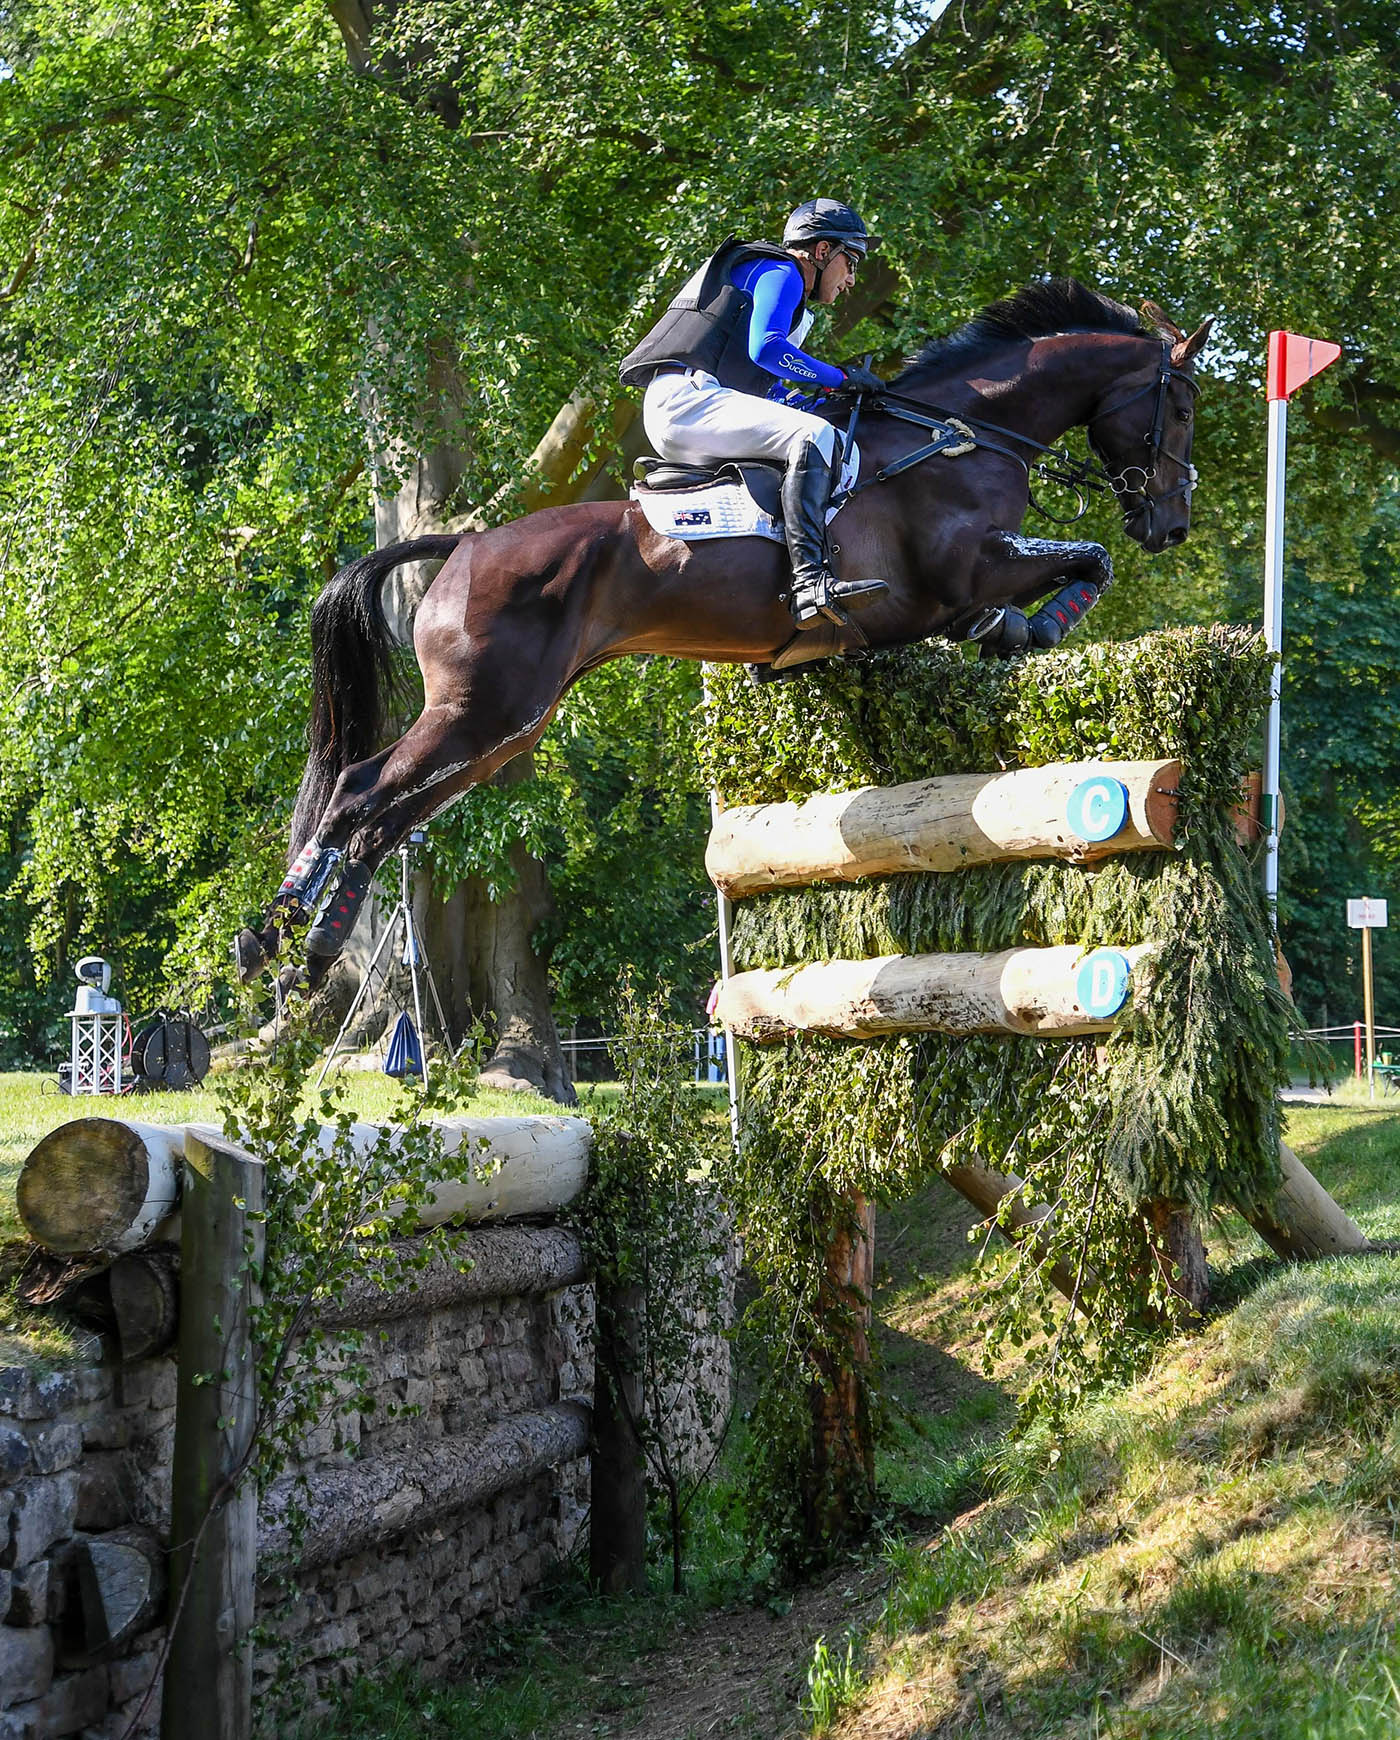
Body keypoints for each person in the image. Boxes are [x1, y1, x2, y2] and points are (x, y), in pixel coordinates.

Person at [619, 199, 889, 634]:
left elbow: (764, 383)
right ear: (821, 252)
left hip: (691, 405)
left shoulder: (782, 289)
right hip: (689, 401)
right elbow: (767, 350)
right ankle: (809, 583)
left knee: (812, 433)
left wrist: (826, 396)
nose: (852, 279)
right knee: (816, 437)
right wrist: (837, 377)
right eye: (850, 261)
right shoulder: (781, 272)